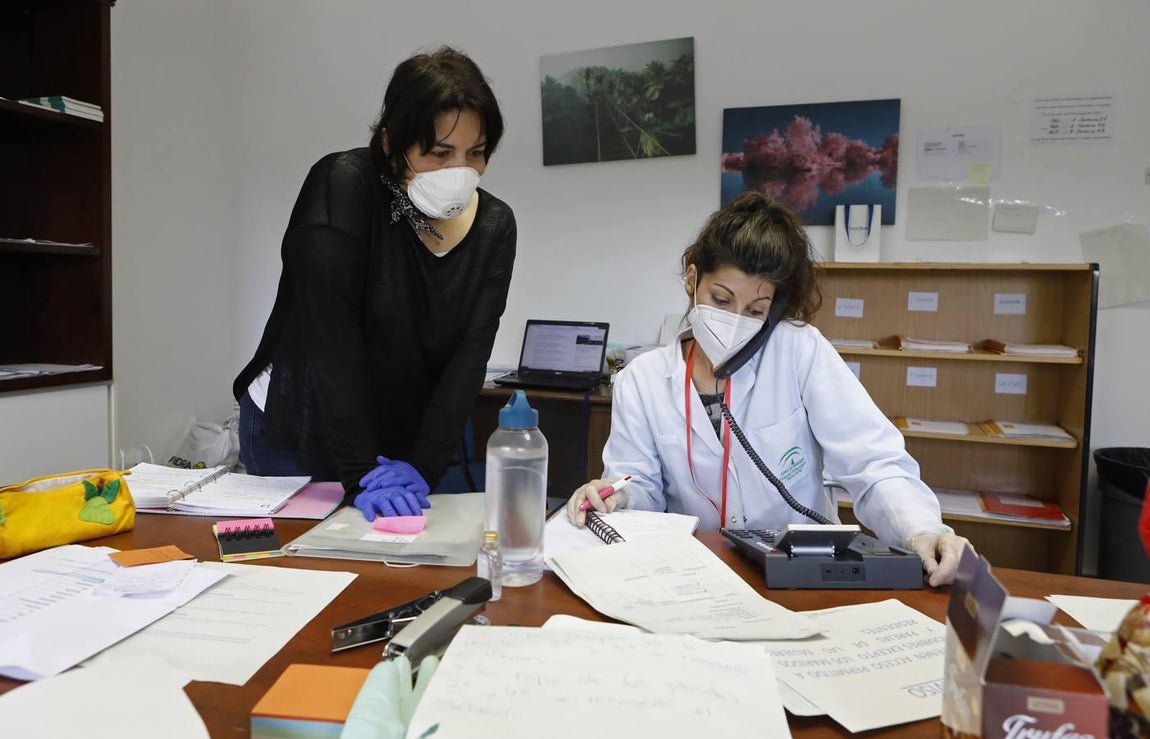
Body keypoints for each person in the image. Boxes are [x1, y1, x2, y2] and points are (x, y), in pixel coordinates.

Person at [565, 191, 966, 586]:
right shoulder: (643, 379)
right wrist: (615, 497)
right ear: (692, 279)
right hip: (693, 575)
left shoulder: (798, 350)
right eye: (720, 300)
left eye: (755, 311)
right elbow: (640, 486)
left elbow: (873, 463)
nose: (735, 321)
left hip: (801, 574)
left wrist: (920, 530)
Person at [233, 46, 515, 520]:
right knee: (305, 571)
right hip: (302, 421)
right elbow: (331, 340)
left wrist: (422, 466)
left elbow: (469, 358)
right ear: (391, 143)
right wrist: (360, 470)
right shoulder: (343, 185)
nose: (460, 172)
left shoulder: (494, 225)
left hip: (391, 434)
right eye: (440, 153)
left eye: (476, 153)